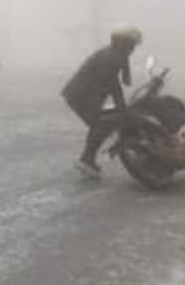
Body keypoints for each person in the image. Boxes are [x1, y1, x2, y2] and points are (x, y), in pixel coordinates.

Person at [61, 25, 143, 176]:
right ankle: (86, 159)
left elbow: (119, 80)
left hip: (87, 93)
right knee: (103, 123)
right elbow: (113, 83)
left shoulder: (115, 54)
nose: (133, 49)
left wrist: (121, 104)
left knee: (105, 120)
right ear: (124, 43)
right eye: (132, 45)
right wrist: (122, 107)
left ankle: (87, 158)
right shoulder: (112, 56)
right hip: (81, 95)